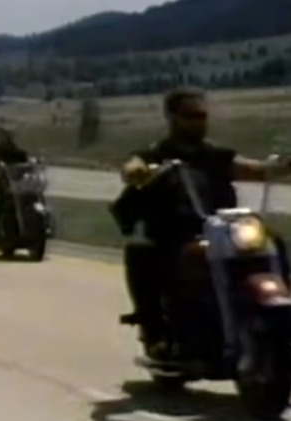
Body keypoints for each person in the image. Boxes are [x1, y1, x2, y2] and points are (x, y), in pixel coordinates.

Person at [117, 86, 291, 359]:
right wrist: (137, 171)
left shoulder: (216, 155)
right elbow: (131, 166)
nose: (199, 122)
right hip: (176, 234)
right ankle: (158, 331)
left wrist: (280, 167)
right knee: (146, 253)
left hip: (224, 228)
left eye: (202, 116)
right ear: (172, 117)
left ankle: (281, 311)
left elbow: (251, 168)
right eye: (191, 116)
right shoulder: (156, 154)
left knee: (273, 242)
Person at [0, 127, 31, 234]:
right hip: (1, 185)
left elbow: (28, 164)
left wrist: (32, 166)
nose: (7, 139)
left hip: (18, 185)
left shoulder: (19, 153)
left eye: (8, 136)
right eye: (4, 136)